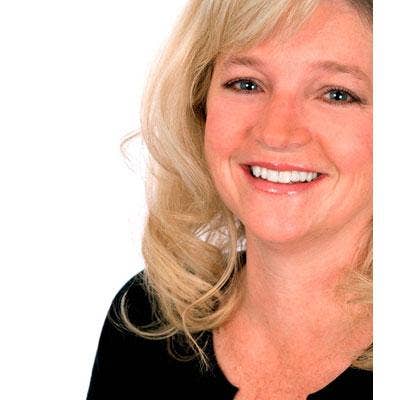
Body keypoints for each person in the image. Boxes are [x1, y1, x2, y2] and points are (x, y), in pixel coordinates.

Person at [87, 0, 373, 398]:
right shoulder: (148, 319)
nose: (276, 133)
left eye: (337, 94)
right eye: (246, 84)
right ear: (200, 104)